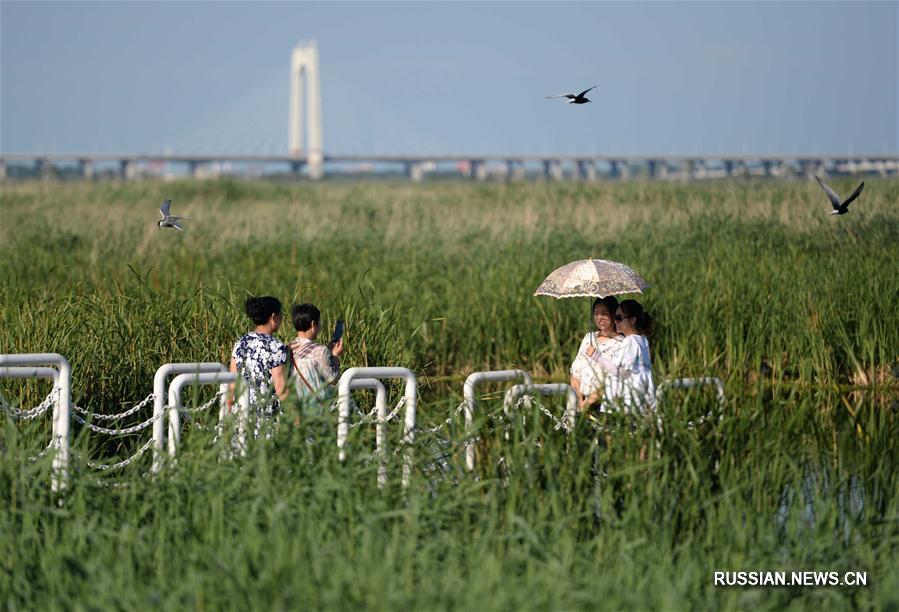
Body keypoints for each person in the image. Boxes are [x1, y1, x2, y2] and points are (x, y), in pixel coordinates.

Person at [229, 296, 290, 438]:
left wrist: (228, 410)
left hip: (241, 412)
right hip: (266, 415)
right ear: (273, 317)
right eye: (281, 315)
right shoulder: (276, 346)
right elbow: (280, 385)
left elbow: (232, 381)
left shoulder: (240, 343)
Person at [589, 299, 655, 414]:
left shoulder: (631, 341)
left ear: (632, 320)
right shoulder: (643, 340)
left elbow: (620, 372)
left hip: (624, 406)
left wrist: (596, 355)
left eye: (619, 318)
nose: (615, 322)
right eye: (615, 318)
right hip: (636, 403)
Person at [571, 296, 624, 410]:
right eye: (596, 313)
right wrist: (580, 400)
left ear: (613, 314)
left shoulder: (621, 343)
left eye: (604, 313)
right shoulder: (589, 338)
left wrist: (589, 402)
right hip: (580, 403)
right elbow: (576, 371)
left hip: (605, 405)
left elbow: (612, 380)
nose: (599, 318)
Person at [287, 303, 345, 407]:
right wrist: (335, 356)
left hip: (295, 409)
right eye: (319, 323)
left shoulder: (288, 348)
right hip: (315, 409)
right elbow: (333, 378)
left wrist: (328, 352)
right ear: (313, 324)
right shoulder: (320, 351)